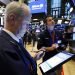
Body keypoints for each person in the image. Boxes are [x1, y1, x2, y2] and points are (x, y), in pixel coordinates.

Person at [0, 1, 45, 75]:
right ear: (12, 19)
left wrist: (34, 58)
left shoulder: (15, 40)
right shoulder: (4, 50)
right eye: (26, 23)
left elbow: (21, 65)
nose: (27, 28)